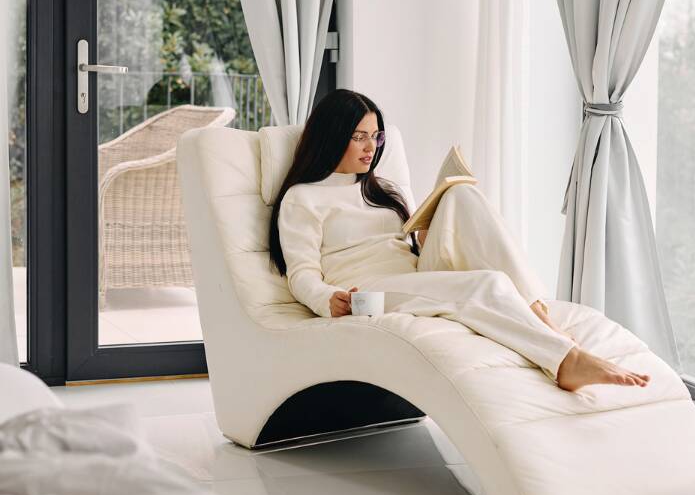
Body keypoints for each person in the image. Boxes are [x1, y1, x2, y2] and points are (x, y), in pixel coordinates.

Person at [268, 89, 651, 394]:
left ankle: (538, 311)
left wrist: (426, 235)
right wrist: (325, 299)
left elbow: (407, 250)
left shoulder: (382, 189)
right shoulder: (303, 198)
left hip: (414, 274)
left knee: (462, 195)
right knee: (488, 284)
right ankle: (565, 360)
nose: (372, 147)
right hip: (368, 292)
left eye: (375, 136)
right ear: (333, 136)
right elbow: (300, 273)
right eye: (359, 137)